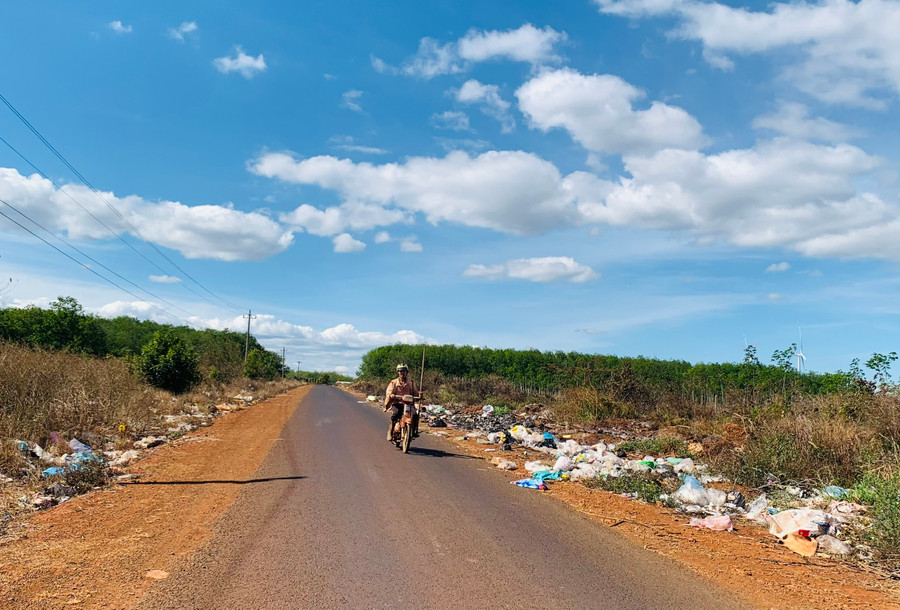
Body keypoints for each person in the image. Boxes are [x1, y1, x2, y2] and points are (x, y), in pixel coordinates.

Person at [383, 363, 420, 444]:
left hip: (408, 404)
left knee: (415, 414)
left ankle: (413, 431)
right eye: (400, 371)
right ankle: (390, 431)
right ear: (398, 372)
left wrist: (418, 395)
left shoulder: (411, 382)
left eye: (403, 371)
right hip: (397, 403)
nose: (402, 373)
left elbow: (415, 393)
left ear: (407, 372)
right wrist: (391, 395)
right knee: (396, 414)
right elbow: (388, 392)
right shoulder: (394, 382)